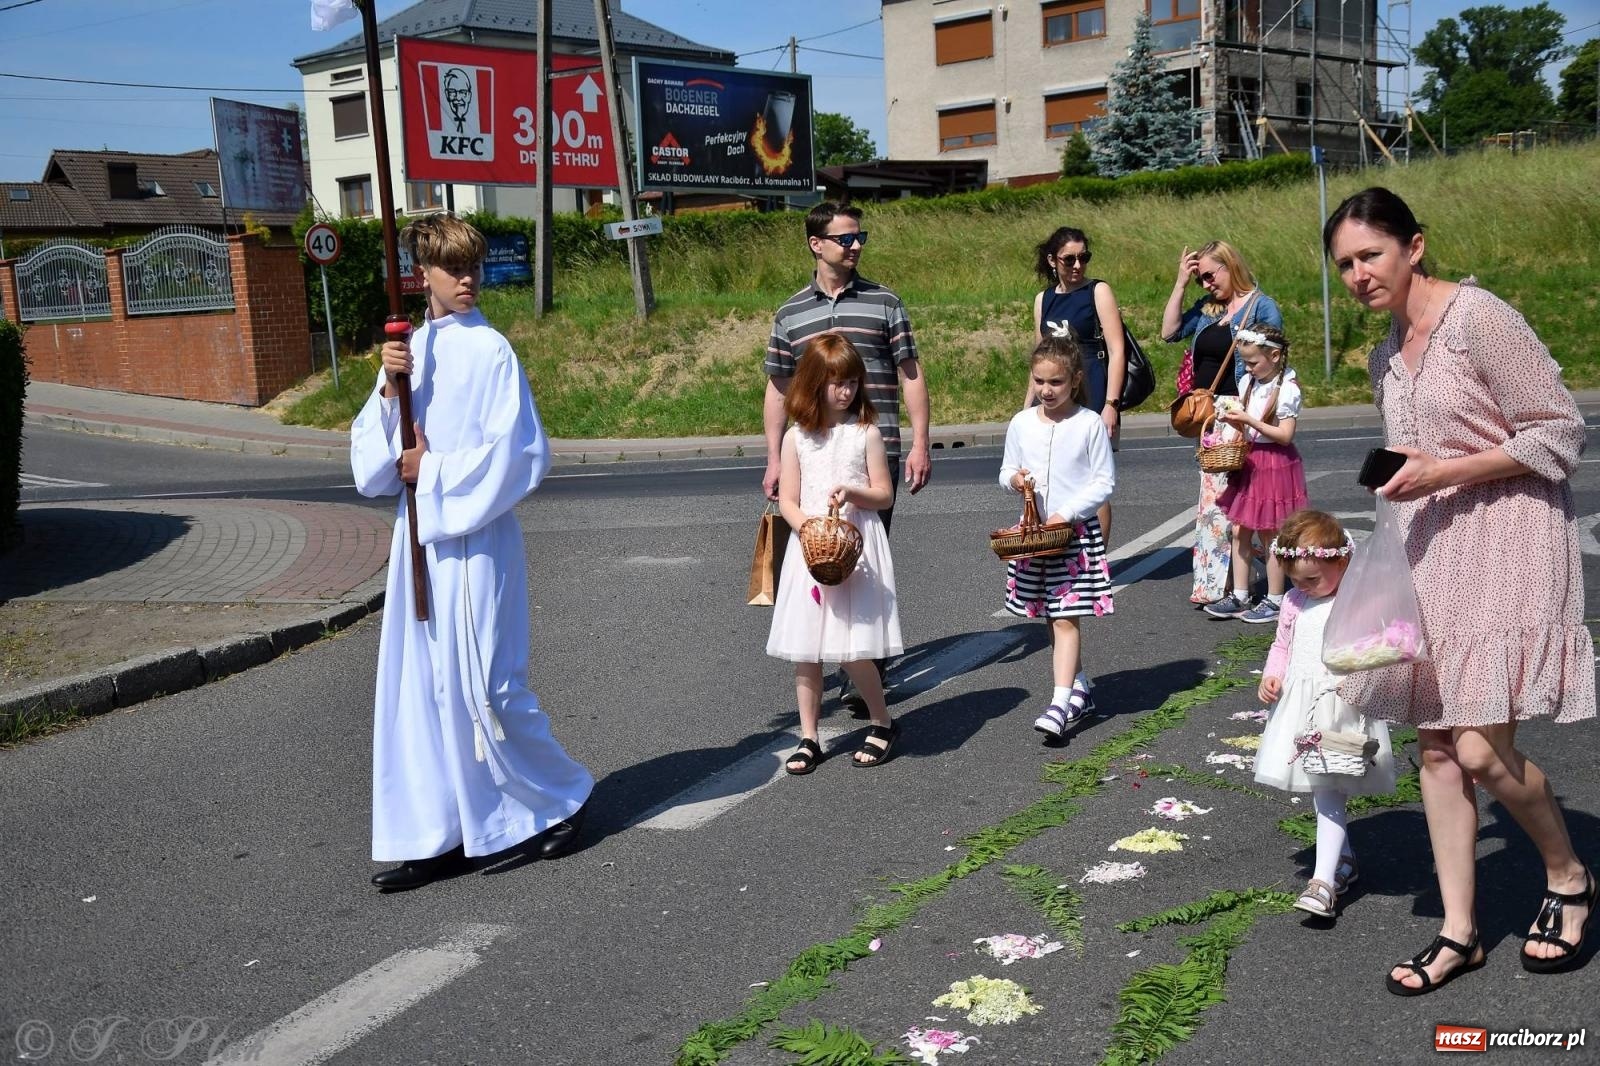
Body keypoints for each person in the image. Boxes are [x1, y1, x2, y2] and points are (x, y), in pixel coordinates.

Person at [1324, 187, 1596, 993]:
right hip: (1431, 548)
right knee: (1438, 750)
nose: (1359, 275)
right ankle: (1460, 933)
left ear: (1415, 245)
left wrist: (1447, 471)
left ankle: (1570, 876)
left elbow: (1559, 429)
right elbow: (1415, 454)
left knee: (1479, 745)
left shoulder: (1481, 319)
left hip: (1511, 536)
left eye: (1370, 254)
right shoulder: (1383, 356)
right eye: (1344, 264)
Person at [350, 214, 592, 892]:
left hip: (475, 538)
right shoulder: (408, 350)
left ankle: (560, 799)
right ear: (419, 276)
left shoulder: (492, 352)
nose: (467, 280)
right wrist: (388, 385)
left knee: (488, 683)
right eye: (453, 269)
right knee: (422, 690)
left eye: (474, 268)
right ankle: (440, 832)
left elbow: (519, 455)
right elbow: (372, 469)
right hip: (419, 544)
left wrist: (430, 471)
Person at [764, 201, 931, 710]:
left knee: (862, 565)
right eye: (845, 238)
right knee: (816, 561)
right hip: (811, 458)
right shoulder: (790, 313)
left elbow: (911, 373)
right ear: (817, 244)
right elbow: (777, 386)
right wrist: (774, 455)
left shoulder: (885, 302)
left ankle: (865, 676)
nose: (855, 245)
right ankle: (829, 660)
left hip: (870, 454)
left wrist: (921, 441)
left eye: (860, 238)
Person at [766, 333, 904, 774]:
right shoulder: (796, 438)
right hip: (812, 548)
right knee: (806, 649)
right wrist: (808, 527)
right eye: (835, 383)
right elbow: (788, 499)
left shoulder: (865, 433)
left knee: (852, 648)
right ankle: (810, 736)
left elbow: (883, 494)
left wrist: (855, 493)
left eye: (851, 382)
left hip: (855, 547)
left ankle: (881, 721)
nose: (845, 391)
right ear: (812, 383)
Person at [1253, 510, 1396, 920]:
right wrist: (1273, 675)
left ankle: (1322, 884)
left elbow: (1374, 647)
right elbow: (1283, 644)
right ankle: (1342, 862)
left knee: (1329, 791)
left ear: (1342, 563)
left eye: (1312, 579)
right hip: (1302, 704)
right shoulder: (1296, 602)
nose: (1302, 587)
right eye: (1295, 579)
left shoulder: (1354, 598)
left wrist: (1364, 681)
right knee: (1323, 790)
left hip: (1339, 702)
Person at [998, 335, 1116, 740]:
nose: (1046, 391)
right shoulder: (1021, 422)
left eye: (1056, 383)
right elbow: (1005, 470)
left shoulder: (1088, 423)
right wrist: (1014, 479)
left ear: (1076, 380)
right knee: (1051, 616)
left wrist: (1067, 512)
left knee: (1065, 618)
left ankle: (1059, 702)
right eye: (1040, 381)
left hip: (1073, 537)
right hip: (1033, 538)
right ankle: (1079, 686)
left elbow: (1104, 482)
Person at [1161, 240, 1283, 606]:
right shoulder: (1208, 309)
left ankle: (1263, 577)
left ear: (1231, 266)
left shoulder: (1263, 306)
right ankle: (1216, 585)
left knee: (1245, 498)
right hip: (1210, 414)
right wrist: (1181, 283)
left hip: (1241, 409)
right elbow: (1169, 332)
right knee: (1214, 501)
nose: (1206, 284)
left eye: (1210, 276)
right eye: (1200, 279)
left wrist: (1258, 416)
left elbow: (1274, 363)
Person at [1205, 326, 1308, 624]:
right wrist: (1230, 422)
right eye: (1245, 362)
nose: (1247, 367)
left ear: (1274, 356)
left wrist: (1249, 419)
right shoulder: (1248, 382)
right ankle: (1240, 594)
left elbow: (1285, 435)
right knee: (1240, 529)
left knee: (1269, 533)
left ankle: (1275, 599)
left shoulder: (1286, 388)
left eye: (1252, 361)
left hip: (1274, 463)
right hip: (1249, 459)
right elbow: (1246, 424)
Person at [1029, 227, 1128, 534]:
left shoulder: (1097, 291)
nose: (1077, 265)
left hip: (1093, 388)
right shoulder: (1043, 299)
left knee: (1093, 478)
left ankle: (1098, 560)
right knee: (1055, 473)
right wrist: (1026, 409)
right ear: (1052, 260)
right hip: (1053, 392)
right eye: (1068, 259)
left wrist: (1111, 404)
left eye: (1083, 257)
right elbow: (1038, 358)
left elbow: (1116, 349)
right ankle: (1063, 551)